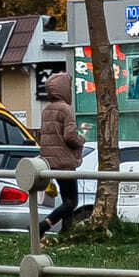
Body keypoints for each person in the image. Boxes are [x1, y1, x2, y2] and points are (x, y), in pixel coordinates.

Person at [36, 70, 82, 229]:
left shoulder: (46, 110)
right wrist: (81, 140)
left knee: (65, 199)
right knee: (72, 202)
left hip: (50, 162)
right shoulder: (66, 109)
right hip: (65, 162)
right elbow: (70, 137)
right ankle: (45, 224)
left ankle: (66, 230)